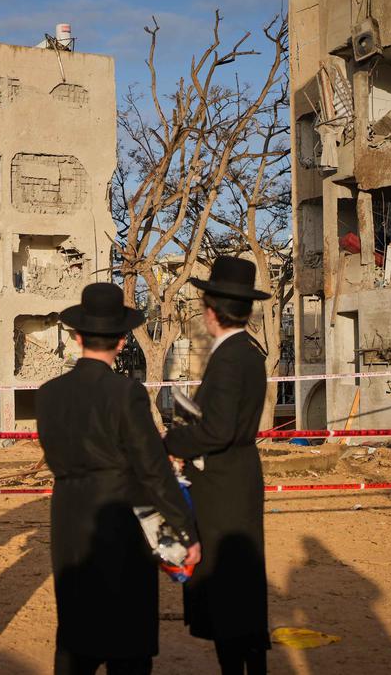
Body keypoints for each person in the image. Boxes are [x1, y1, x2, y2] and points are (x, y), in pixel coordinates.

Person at [37, 282, 201, 675]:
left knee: (75, 634)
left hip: (68, 518)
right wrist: (185, 529)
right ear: (123, 339)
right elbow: (153, 468)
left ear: (77, 337)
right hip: (119, 518)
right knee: (127, 639)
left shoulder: (47, 394)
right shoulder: (125, 392)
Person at [164, 257, 271, 674]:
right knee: (243, 585)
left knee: (227, 591)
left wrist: (172, 440)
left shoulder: (229, 358)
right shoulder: (249, 352)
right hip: (239, 477)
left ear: (211, 311)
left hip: (222, 487)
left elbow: (218, 430)